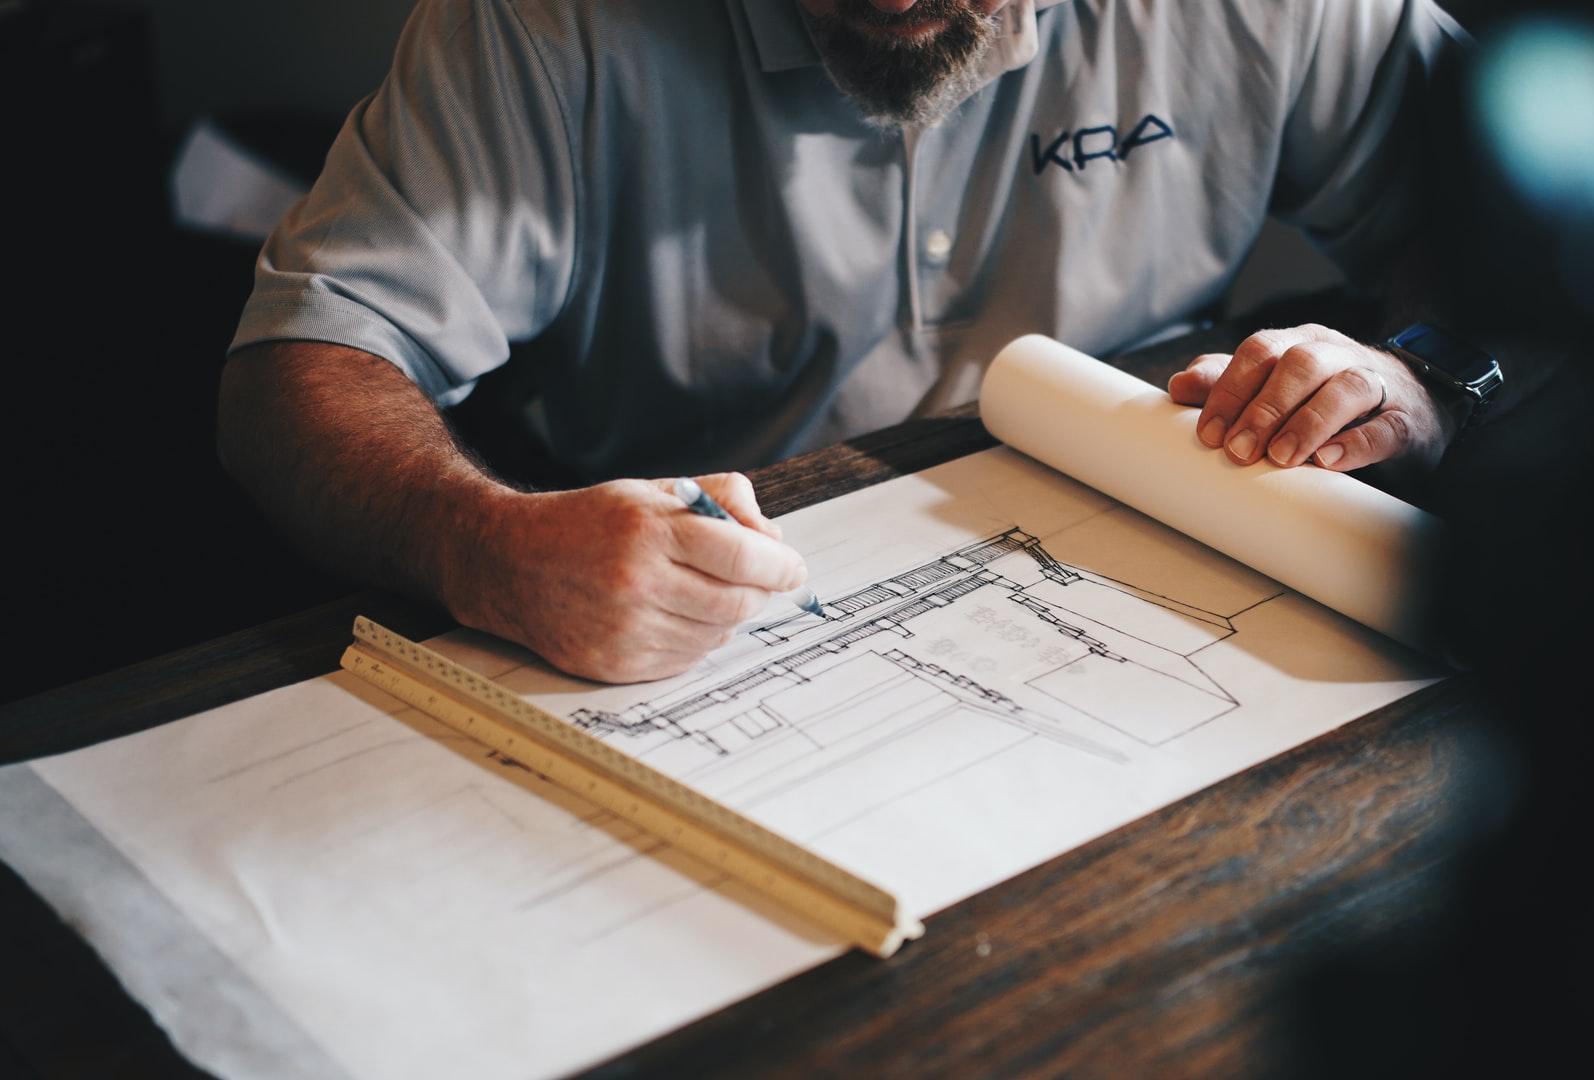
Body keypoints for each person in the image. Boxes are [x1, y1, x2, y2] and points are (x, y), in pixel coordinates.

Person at [218, 0, 1471, 682]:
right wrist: (479, 544)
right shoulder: (542, 28)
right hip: (691, 620)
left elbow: (1522, 245)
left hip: (1186, 608)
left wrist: (1420, 371)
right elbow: (301, 366)